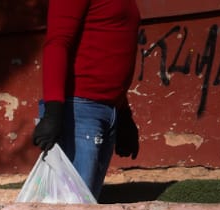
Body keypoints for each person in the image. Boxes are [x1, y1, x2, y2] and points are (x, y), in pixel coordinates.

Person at [32, 0, 141, 198]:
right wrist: (53, 110)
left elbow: (108, 50)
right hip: (78, 113)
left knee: (85, 206)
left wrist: (124, 115)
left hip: (107, 111)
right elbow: (57, 42)